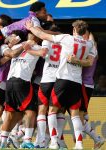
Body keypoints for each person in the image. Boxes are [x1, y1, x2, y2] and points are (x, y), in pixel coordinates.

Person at [26, 19, 96, 149]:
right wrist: (77, 60)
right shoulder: (89, 45)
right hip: (76, 82)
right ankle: (79, 144)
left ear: (74, 29)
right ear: (84, 31)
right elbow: (90, 63)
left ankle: (53, 142)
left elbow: (42, 35)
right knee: (74, 114)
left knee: (52, 111)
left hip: (62, 79)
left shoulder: (66, 38)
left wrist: (31, 27)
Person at [0, 33, 47, 149]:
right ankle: (27, 140)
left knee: (11, 114)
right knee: (31, 111)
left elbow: (5, 53)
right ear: (38, 37)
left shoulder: (16, 47)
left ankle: (3, 143)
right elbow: (44, 53)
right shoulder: (37, 47)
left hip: (9, 83)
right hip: (22, 82)